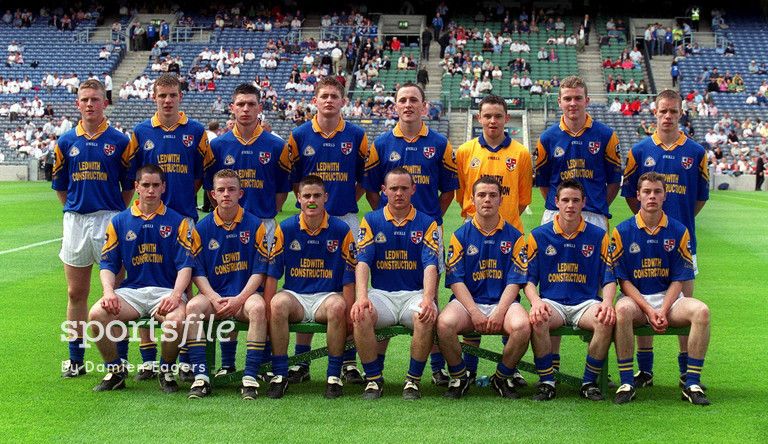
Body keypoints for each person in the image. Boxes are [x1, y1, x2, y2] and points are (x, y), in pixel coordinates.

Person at [361, 82, 458, 385]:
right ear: (395, 106)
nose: (408, 105)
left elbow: (449, 191)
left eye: (413, 100)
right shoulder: (382, 143)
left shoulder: (439, 143)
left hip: (427, 228)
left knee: (430, 299)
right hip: (388, 226)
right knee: (386, 290)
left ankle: (437, 367)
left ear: (423, 106)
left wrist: (430, 217)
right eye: (402, 100)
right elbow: (372, 189)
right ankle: (375, 370)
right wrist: (387, 218)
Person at [121, 73, 213, 380]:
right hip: (146, 215)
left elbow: (200, 176)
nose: (167, 100)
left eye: (173, 95)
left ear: (180, 97)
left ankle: (184, 353)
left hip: (183, 216)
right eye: (162, 95)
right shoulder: (141, 131)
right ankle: (148, 357)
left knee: (184, 285)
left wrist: (178, 202)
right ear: (154, 98)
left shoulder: (196, 131)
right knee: (143, 277)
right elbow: (135, 174)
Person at [278, 76, 368, 384]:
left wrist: (341, 202)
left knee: (349, 287)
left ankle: (348, 361)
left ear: (344, 101)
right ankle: (301, 361)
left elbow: (363, 180)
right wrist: (312, 205)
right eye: (324, 96)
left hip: (346, 218)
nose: (329, 100)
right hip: (310, 219)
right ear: (314, 101)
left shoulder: (357, 135)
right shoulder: (299, 135)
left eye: (334, 96)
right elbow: (294, 180)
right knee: (305, 280)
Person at [622, 89, 709, 388]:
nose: (668, 116)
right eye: (663, 111)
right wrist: (649, 223)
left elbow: (700, 198)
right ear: (655, 113)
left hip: (683, 242)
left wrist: (677, 224)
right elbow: (631, 195)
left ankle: (686, 371)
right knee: (645, 297)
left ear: (681, 113)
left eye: (673, 111)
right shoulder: (639, 151)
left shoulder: (696, 152)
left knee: (685, 305)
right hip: (644, 239)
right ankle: (645, 371)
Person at [89, 164, 197, 392]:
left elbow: (185, 266)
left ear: (163, 187)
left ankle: (166, 370)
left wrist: (176, 295)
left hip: (166, 291)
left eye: (156, 185)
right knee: (97, 314)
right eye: (146, 185)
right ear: (136, 186)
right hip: (133, 293)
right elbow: (108, 263)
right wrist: (108, 292)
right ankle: (115, 371)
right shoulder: (119, 221)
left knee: (176, 321)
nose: (151, 190)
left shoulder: (178, 222)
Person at [53, 79, 133, 378]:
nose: (90, 104)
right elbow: (61, 187)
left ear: (105, 103)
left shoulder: (120, 141)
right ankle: (76, 359)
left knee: (116, 293)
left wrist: (113, 211)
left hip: (109, 219)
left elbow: (128, 187)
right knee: (76, 292)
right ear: (78, 104)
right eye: (85, 99)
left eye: (95, 99)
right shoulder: (65, 141)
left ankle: (120, 358)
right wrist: (76, 207)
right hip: (76, 221)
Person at [612, 172, 711, 405]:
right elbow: (623, 281)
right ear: (638, 195)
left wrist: (663, 310)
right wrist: (648, 310)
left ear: (665, 195)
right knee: (622, 310)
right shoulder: (622, 231)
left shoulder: (679, 230)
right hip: (636, 301)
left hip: (669, 300)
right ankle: (627, 381)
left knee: (702, 311)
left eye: (657, 192)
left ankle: (691, 382)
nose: (652, 196)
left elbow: (679, 279)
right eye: (647, 192)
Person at [351, 168, 440, 400]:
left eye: (403, 188)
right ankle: (373, 379)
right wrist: (362, 297)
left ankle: (413, 380)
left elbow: (431, 265)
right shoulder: (371, 220)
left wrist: (428, 299)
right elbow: (362, 262)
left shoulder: (427, 222)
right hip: (382, 295)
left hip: (414, 294)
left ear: (413, 190)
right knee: (361, 314)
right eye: (393, 188)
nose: (398, 193)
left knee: (425, 315)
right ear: (384, 191)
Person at [437, 177, 530, 399]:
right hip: (468, 303)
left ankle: (502, 376)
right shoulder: (460, 235)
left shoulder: (515, 236)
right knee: (444, 324)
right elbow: (456, 280)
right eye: (481, 195)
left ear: (501, 200)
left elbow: (515, 281)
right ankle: (460, 376)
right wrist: (474, 312)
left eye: (492, 195)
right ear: (472, 199)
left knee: (522, 326)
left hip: (503, 303)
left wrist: (499, 312)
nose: (487, 200)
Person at [265, 175, 357, 399]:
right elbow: (273, 273)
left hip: (327, 297)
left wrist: (349, 314)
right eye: (307, 196)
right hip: (296, 297)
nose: (312, 200)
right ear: (298, 198)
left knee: (338, 307)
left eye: (317, 195)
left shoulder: (341, 229)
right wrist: (267, 308)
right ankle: (280, 375)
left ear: (326, 197)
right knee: (277, 304)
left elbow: (349, 276)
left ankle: (333, 376)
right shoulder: (286, 228)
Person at [524, 179, 616, 401]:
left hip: (585, 303)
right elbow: (528, 280)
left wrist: (607, 303)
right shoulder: (538, 235)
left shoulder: (599, 235)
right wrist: (536, 302)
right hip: (552, 302)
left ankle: (588, 382)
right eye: (565, 200)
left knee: (605, 321)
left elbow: (609, 278)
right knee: (538, 319)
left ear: (584, 202)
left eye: (576, 200)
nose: (570, 205)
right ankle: (547, 382)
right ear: (556, 202)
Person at [185, 169, 271, 399]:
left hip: (245, 295)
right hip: (214, 296)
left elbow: (259, 271)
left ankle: (250, 377)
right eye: (221, 190)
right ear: (212, 194)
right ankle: (201, 377)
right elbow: (197, 271)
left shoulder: (255, 225)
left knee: (258, 308)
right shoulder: (202, 227)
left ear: (240, 193)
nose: (226, 194)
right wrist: (213, 297)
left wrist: (240, 299)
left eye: (231, 189)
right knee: (192, 307)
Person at [455, 95, 532, 234]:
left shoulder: (521, 153)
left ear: (506, 118)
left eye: (498, 116)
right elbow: (462, 196)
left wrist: (504, 219)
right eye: (487, 116)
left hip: (509, 228)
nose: (492, 121)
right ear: (479, 118)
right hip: (473, 228)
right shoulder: (464, 151)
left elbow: (524, 199)